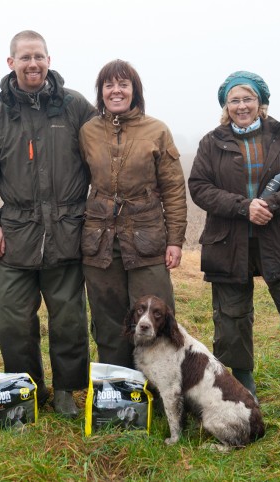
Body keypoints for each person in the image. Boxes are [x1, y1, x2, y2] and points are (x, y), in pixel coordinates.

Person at [187, 71, 280, 413]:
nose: (242, 106)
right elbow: (199, 187)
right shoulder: (212, 142)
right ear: (226, 105)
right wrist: (244, 207)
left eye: (248, 98)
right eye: (234, 100)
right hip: (229, 246)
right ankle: (242, 387)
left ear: (260, 102)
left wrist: (274, 203)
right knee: (231, 321)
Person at [0, 31, 95, 417]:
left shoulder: (75, 106)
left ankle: (66, 390)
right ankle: (27, 389)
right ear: (11, 63)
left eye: (39, 57)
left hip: (67, 230)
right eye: (24, 57)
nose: (33, 64)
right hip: (15, 234)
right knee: (13, 321)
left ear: (49, 59)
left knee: (70, 318)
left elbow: (102, 158)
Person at [79, 59, 188, 369]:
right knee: (108, 319)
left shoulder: (157, 130)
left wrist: (175, 240)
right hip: (99, 241)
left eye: (123, 85)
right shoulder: (87, 132)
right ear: (100, 92)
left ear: (134, 91)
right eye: (109, 85)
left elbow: (174, 189)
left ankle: (162, 387)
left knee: (155, 316)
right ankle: (117, 387)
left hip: (148, 239)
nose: (116, 91)